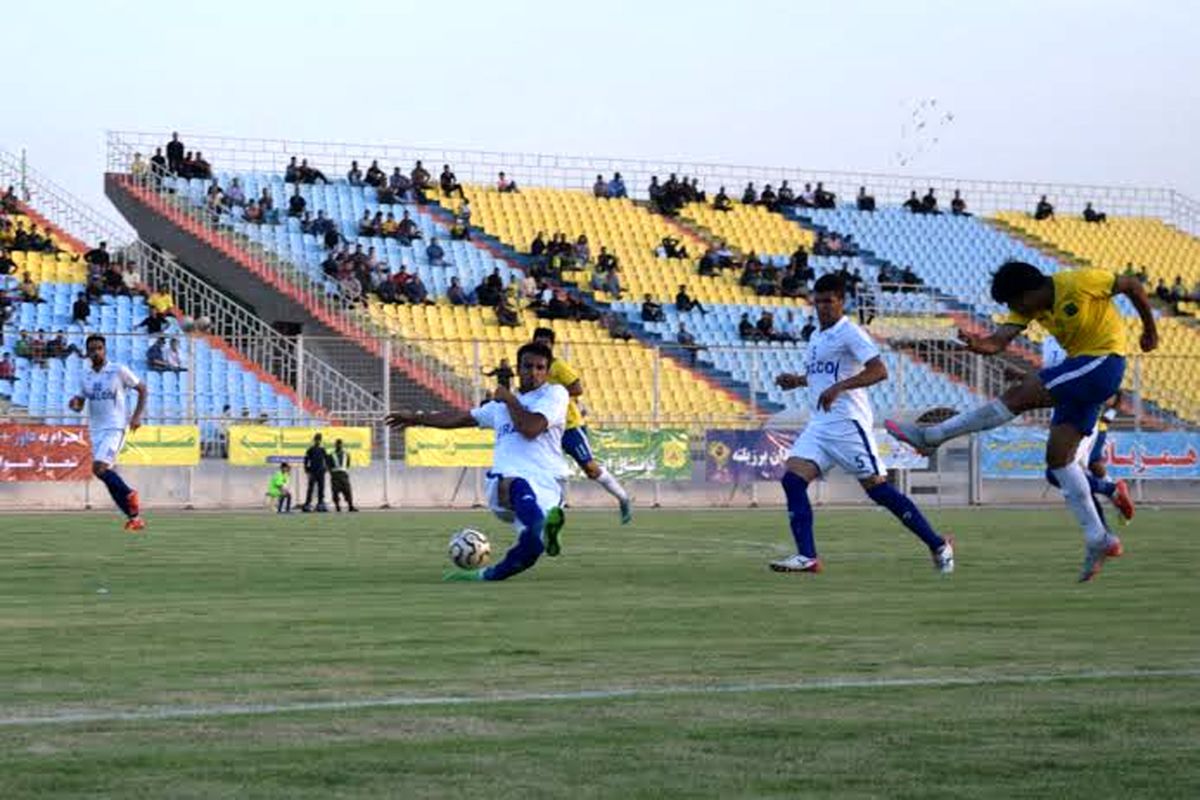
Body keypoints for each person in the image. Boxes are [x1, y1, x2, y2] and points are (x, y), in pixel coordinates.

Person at [886, 262, 1156, 582]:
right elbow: (997, 342)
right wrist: (977, 344)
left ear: (1029, 292)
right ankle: (1099, 538)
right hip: (1082, 373)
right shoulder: (1030, 306)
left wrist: (1149, 329)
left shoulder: (1081, 282)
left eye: (1014, 303)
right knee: (1059, 462)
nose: (1014, 310)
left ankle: (931, 436)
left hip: (1103, 362)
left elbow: (1132, 285)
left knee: (1017, 396)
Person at [770, 274, 954, 575]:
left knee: (878, 491)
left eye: (829, 301)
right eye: (819, 302)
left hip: (847, 425)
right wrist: (799, 380)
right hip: (820, 425)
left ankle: (937, 544)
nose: (823, 307)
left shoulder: (850, 333)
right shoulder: (817, 336)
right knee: (792, 481)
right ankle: (807, 557)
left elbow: (879, 371)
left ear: (842, 302)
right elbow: (823, 375)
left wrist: (839, 388)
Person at [386, 342, 569, 581]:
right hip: (509, 481)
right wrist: (418, 418)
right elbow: (460, 417)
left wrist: (509, 399)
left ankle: (489, 574)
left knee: (533, 546)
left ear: (547, 371)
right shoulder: (498, 407)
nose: (533, 372)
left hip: (547, 482)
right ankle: (543, 528)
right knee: (516, 484)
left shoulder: (554, 394)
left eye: (539, 367)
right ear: (518, 368)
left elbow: (531, 428)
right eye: (527, 366)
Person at [532, 327, 632, 524]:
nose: (542, 346)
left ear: (552, 346)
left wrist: (555, 396)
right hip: (544, 427)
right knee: (541, 467)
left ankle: (623, 498)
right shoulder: (532, 367)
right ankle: (550, 511)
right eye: (538, 342)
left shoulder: (558, 366)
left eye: (546, 343)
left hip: (568, 425)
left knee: (590, 469)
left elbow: (577, 388)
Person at [1041, 335, 1133, 526]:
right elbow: (1048, 377)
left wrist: (1110, 415)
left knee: (1059, 472)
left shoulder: (1080, 334)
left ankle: (1111, 490)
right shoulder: (1048, 340)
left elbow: (1113, 389)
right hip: (1061, 417)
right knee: (1077, 482)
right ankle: (1104, 534)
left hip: (1080, 418)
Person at [68, 334, 148, 531]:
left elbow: (143, 389)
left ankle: (129, 493)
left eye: (99, 348)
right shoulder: (85, 376)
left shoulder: (118, 370)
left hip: (115, 427)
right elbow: (80, 403)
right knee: (102, 473)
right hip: (96, 429)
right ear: (87, 352)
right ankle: (134, 517)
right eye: (92, 349)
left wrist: (137, 416)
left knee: (100, 468)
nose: (96, 352)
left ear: (105, 350)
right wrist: (75, 404)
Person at [302, 433, 329, 512]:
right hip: (313, 472)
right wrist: (306, 469)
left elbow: (326, 460)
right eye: (316, 439)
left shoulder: (323, 449)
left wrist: (326, 468)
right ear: (314, 440)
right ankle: (307, 504)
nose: (318, 441)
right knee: (310, 488)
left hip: (321, 472)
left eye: (319, 439)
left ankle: (320, 504)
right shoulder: (310, 449)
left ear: (320, 440)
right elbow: (306, 459)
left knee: (321, 488)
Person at [329, 438, 357, 512]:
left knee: (348, 490)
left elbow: (347, 464)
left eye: (340, 444)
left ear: (342, 445)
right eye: (337, 444)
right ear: (335, 445)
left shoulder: (346, 454)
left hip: (343, 474)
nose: (339, 445)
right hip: (335, 474)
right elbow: (329, 465)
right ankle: (337, 506)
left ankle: (350, 506)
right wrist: (332, 473)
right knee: (335, 491)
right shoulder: (331, 454)